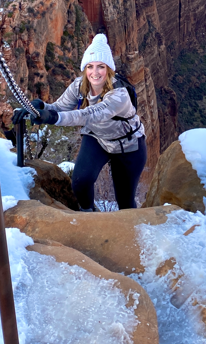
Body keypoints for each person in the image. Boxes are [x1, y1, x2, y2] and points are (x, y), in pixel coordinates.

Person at [12, 34, 146, 211]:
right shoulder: (79, 85)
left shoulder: (119, 95)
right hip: (97, 137)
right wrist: (39, 106)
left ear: (109, 69)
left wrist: (52, 118)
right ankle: (88, 216)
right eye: (90, 67)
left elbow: (88, 115)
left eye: (101, 67)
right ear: (85, 69)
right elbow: (60, 106)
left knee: (126, 202)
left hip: (128, 145)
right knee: (80, 182)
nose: (95, 72)